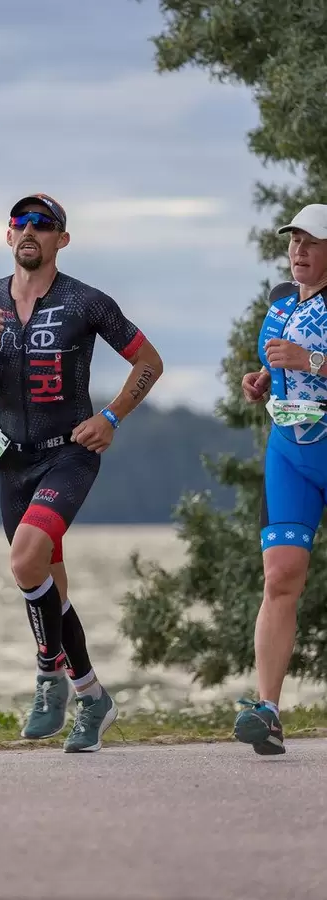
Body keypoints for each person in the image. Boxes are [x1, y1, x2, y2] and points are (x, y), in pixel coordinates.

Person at [0, 192, 163, 753]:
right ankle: (90, 697)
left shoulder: (85, 302)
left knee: (25, 560)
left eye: (43, 224)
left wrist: (112, 416)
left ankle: (50, 674)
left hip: (69, 451)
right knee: (49, 585)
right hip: (12, 459)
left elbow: (150, 361)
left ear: (61, 240)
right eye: (20, 222)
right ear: (7, 236)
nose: (30, 230)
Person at [235, 203, 327, 756]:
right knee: (281, 574)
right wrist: (262, 380)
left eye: (310, 242)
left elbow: (309, 361)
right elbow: (280, 372)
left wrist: (311, 360)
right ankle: (267, 709)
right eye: (294, 242)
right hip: (291, 451)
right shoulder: (279, 307)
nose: (298, 252)